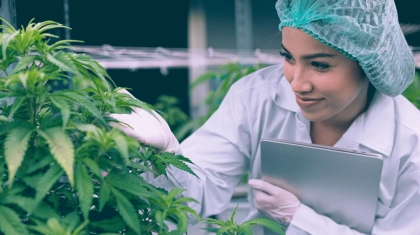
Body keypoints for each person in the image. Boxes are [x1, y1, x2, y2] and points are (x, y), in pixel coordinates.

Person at [111, 0, 420, 234]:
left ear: (370, 62)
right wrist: (167, 156)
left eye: (320, 65)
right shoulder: (257, 96)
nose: (297, 83)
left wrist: (301, 218)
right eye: (288, 57)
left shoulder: (411, 144)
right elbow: (195, 197)